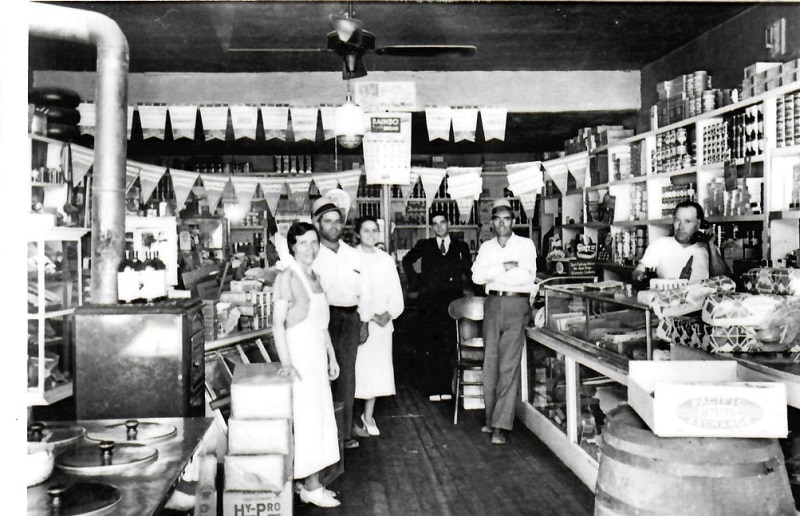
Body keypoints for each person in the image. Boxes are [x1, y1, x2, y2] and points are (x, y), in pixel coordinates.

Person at [272, 222, 341, 508]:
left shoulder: (316, 276)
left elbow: (322, 326)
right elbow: (277, 324)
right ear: (292, 246)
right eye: (303, 243)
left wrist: (332, 357)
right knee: (309, 421)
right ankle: (311, 488)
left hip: (317, 355)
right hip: (299, 355)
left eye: (314, 242)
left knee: (321, 418)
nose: (310, 248)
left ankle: (313, 483)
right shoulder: (287, 277)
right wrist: (287, 363)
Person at [471, 199, 538, 445]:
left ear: (513, 221)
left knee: (508, 366)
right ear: (492, 222)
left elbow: (526, 277)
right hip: (492, 304)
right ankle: (490, 419)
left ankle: (501, 425)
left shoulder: (525, 245)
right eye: (497, 219)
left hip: (517, 305)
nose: (502, 224)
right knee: (490, 363)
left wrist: (496, 274)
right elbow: (477, 277)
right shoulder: (486, 247)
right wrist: (505, 267)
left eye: (506, 219)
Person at [310, 197, 370, 450]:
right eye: (328, 221)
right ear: (318, 224)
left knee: (346, 377)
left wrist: (364, 322)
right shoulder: (312, 254)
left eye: (337, 221)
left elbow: (365, 290)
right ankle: (324, 437)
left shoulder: (353, 255)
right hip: (322, 320)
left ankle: (343, 435)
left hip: (350, 318)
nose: (334, 226)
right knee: (321, 376)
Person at [401, 210, 473, 401]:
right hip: (430, 301)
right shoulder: (424, 245)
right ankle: (433, 388)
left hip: (453, 302)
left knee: (449, 344)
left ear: (448, 223)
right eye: (435, 223)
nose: (439, 227)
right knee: (431, 344)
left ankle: (447, 388)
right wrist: (417, 283)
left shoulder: (461, 246)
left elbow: (469, 271)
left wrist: (478, 292)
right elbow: (407, 261)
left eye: (442, 222)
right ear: (431, 227)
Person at [353, 215, 405, 437]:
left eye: (375, 230)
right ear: (357, 233)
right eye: (366, 230)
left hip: (383, 325)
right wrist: (369, 316)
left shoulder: (386, 260)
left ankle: (368, 415)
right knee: (357, 372)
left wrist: (389, 313)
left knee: (376, 373)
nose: (371, 235)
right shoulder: (351, 257)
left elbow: (396, 292)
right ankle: (351, 419)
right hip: (361, 323)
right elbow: (352, 293)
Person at [632, 200, 729, 284]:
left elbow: (722, 278)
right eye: (677, 220)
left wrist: (711, 246)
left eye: (687, 221)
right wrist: (640, 276)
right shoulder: (660, 244)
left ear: (700, 224)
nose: (680, 226)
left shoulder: (709, 248)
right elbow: (637, 272)